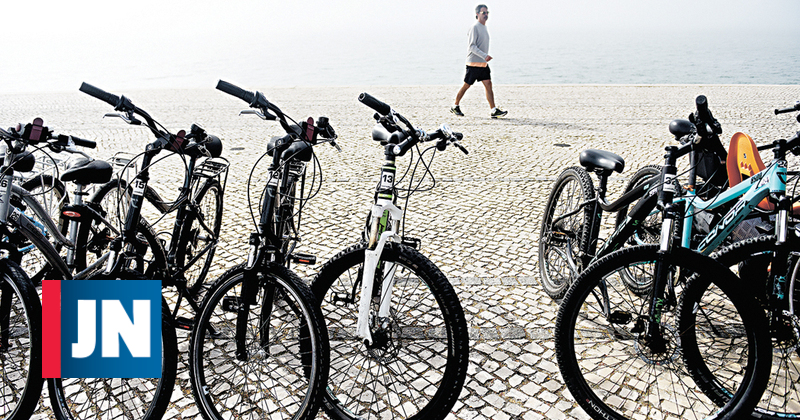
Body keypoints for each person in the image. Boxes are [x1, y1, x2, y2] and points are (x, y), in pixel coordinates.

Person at [451, 4, 507, 118]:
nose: (486, 15)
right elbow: (471, 46)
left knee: (488, 85)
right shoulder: (475, 27)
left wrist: (484, 58)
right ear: (477, 14)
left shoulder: (484, 27)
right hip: (473, 63)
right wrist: (484, 55)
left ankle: (493, 110)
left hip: (483, 64)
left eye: (487, 13)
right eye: (483, 13)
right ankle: (455, 106)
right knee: (466, 85)